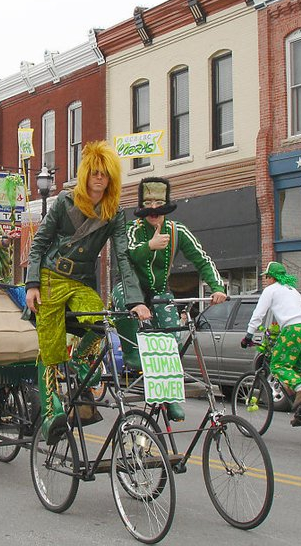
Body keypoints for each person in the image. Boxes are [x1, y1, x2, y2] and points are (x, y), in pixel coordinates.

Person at [25, 141, 152, 443]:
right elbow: (40, 243)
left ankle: (82, 360)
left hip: (81, 282)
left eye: (104, 174)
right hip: (51, 278)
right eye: (94, 173)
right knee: (51, 348)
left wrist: (135, 301)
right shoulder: (64, 202)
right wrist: (32, 284)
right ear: (86, 174)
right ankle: (51, 414)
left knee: (100, 322)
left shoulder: (114, 214)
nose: (99, 178)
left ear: (111, 178)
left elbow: (122, 257)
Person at [113, 177, 227, 421]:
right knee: (122, 299)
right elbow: (128, 255)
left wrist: (217, 286)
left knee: (171, 337)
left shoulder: (177, 231)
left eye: (158, 203)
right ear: (142, 207)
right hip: (133, 290)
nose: (154, 210)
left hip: (159, 292)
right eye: (148, 204)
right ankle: (133, 352)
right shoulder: (133, 230)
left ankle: (170, 398)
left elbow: (201, 259)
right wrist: (150, 246)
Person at [240, 261, 301, 426]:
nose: (266, 280)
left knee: (278, 365)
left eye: (266, 277)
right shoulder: (293, 290)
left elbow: (258, 314)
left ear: (270, 277)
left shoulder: (271, 290)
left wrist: (248, 335)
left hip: (292, 330)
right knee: (299, 370)